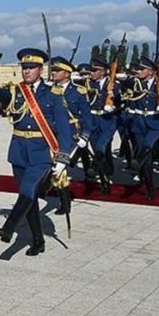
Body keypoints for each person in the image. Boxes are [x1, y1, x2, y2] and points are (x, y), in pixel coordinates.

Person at [0, 48, 75, 256]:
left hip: (40, 153)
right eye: (24, 68)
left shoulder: (53, 94)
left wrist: (63, 156)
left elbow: (64, 127)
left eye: (31, 68)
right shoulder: (16, 90)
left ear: (40, 69)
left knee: (27, 191)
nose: (26, 71)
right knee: (30, 198)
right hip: (18, 151)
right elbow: (1, 95)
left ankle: (9, 227)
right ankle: (38, 240)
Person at [50, 56, 96, 214]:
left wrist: (85, 135)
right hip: (52, 133)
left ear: (67, 74)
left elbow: (87, 116)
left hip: (71, 133)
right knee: (54, 166)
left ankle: (65, 203)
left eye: (57, 70)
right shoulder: (49, 90)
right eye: (53, 70)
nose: (53, 73)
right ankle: (55, 192)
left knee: (60, 167)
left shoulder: (78, 91)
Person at [123, 55, 159, 201]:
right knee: (146, 161)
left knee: (147, 145)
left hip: (156, 122)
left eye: (142, 69)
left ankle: (137, 161)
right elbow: (124, 81)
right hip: (139, 122)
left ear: (151, 71)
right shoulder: (136, 83)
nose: (139, 71)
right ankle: (150, 187)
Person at [85, 57, 119, 194]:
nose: (91, 73)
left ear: (103, 71)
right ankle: (106, 178)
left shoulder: (114, 85)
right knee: (99, 152)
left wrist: (114, 107)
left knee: (100, 148)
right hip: (93, 120)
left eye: (94, 70)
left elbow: (122, 102)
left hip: (108, 121)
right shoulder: (88, 84)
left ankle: (102, 178)